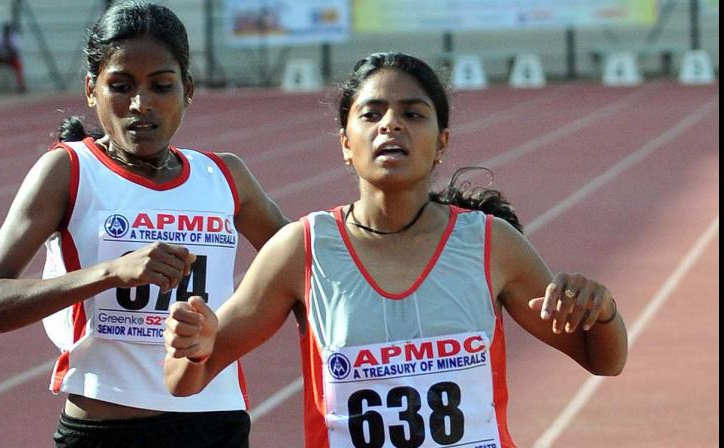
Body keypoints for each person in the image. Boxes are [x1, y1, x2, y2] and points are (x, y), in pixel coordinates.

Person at [163, 52, 628, 448]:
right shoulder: (303, 249)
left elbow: (602, 359)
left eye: (413, 113)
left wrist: (601, 311)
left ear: (441, 142)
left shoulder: (490, 243)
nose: (391, 125)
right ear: (346, 143)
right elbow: (185, 382)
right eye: (371, 113)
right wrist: (195, 349)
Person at [0, 2, 287, 447]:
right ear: (91, 90)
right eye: (121, 85)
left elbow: (305, 277)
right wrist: (111, 272)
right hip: (105, 429)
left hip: (213, 423)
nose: (141, 104)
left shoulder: (227, 177)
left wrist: (223, 333)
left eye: (161, 86)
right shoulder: (69, 171)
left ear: (188, 89)